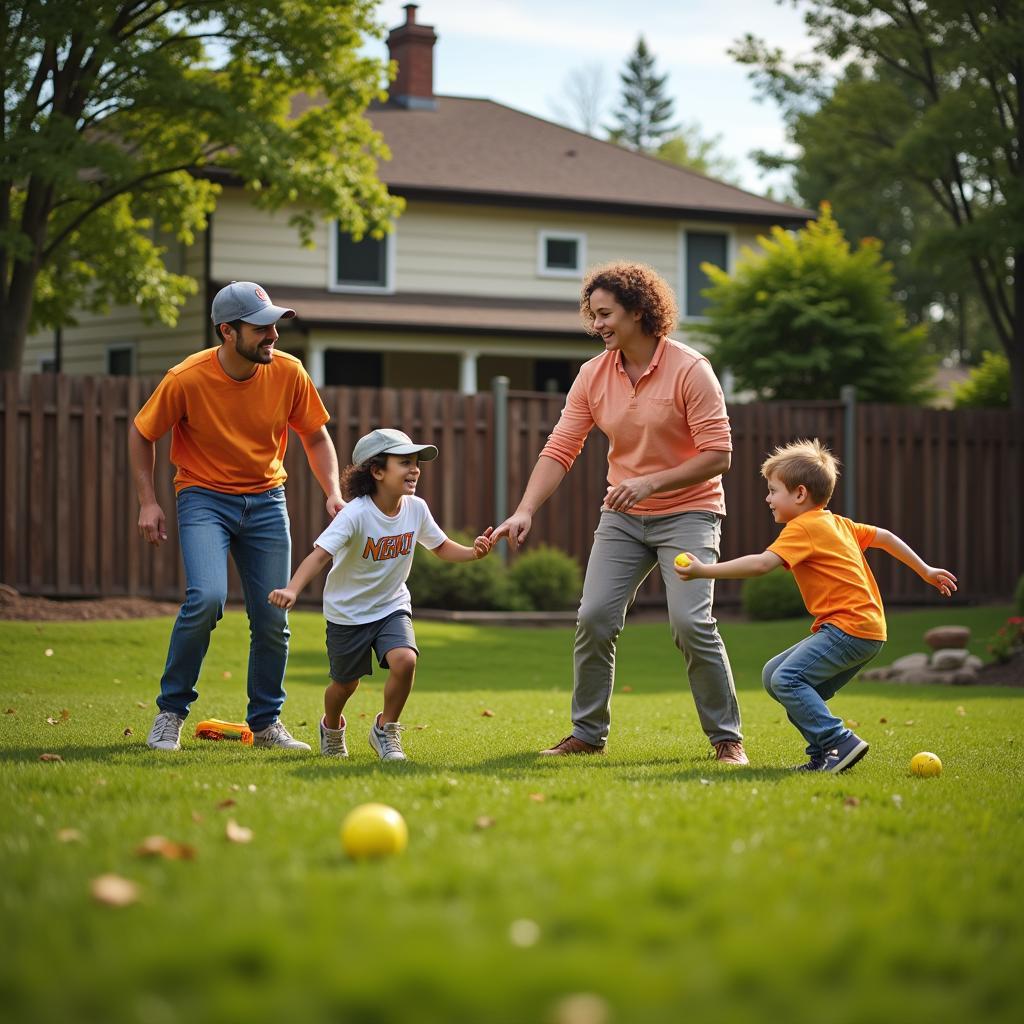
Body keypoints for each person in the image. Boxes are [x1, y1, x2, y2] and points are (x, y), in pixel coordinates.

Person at [492, 262, 746, 763]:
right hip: (624, 519)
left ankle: (726, 740)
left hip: (690, 512)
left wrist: (651, 481)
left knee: (691, 623)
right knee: (594, 617)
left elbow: (719, 454)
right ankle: (587, 735)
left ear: (638, 311)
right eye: (593, 315)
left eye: (606, 314)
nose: (598, 324)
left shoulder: (691, 369)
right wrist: (524, 511)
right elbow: (561, 446)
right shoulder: (593, 374)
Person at [130, 281, 343, 752]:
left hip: (267, 500)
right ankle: (170, 714)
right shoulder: (186, 378)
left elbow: (314, 435)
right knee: (206, 599)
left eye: (274, 325)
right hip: (203, 497)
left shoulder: (289, 372)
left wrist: (332, 492)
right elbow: (143, 432)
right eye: (261, 327)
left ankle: (266, 724)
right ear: (228, 331)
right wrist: (149, 500)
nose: (273, 336)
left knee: (273, 616)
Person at [675, 438, 957, 773]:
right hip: (866, 630)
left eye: (773, 490)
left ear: (799, 493)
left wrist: (702, 571)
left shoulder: (804, 527)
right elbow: (885, 537)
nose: (767, 498)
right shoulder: (837, 523)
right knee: (774, 676)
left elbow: (762, 565)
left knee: (788, 681)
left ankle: (839, 741)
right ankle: (824, 754)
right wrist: (924, 569)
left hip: (849, 628)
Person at [267, 428, 493, 762]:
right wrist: (292, 588)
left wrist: (473, 553)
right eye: (405, 462)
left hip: (391, 606)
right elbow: (319, 555)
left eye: (416, 463)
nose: (414, 469)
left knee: (406, 660)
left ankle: (386, 729)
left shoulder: (416, 508)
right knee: (345, 685)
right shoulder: (355, 514)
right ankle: (331, 727)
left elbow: (441, 546)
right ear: (377, 471)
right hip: (348, 613)